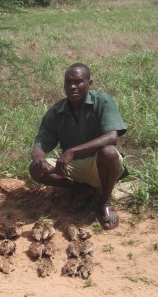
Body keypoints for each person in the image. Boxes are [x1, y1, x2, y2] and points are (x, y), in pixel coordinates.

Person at [29, 63, 127, 230]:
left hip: (99, 164)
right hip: (73, 168)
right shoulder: (57, 111)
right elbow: (40, 143)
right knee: (35, 169)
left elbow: (112, 137)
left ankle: (104, 203)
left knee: (109, 152)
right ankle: (80, 188)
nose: (73, 86)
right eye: (68, 82)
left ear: (89, 83)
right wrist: (39, 158)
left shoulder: (102, 101)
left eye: (78, 81)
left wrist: (72, 151)